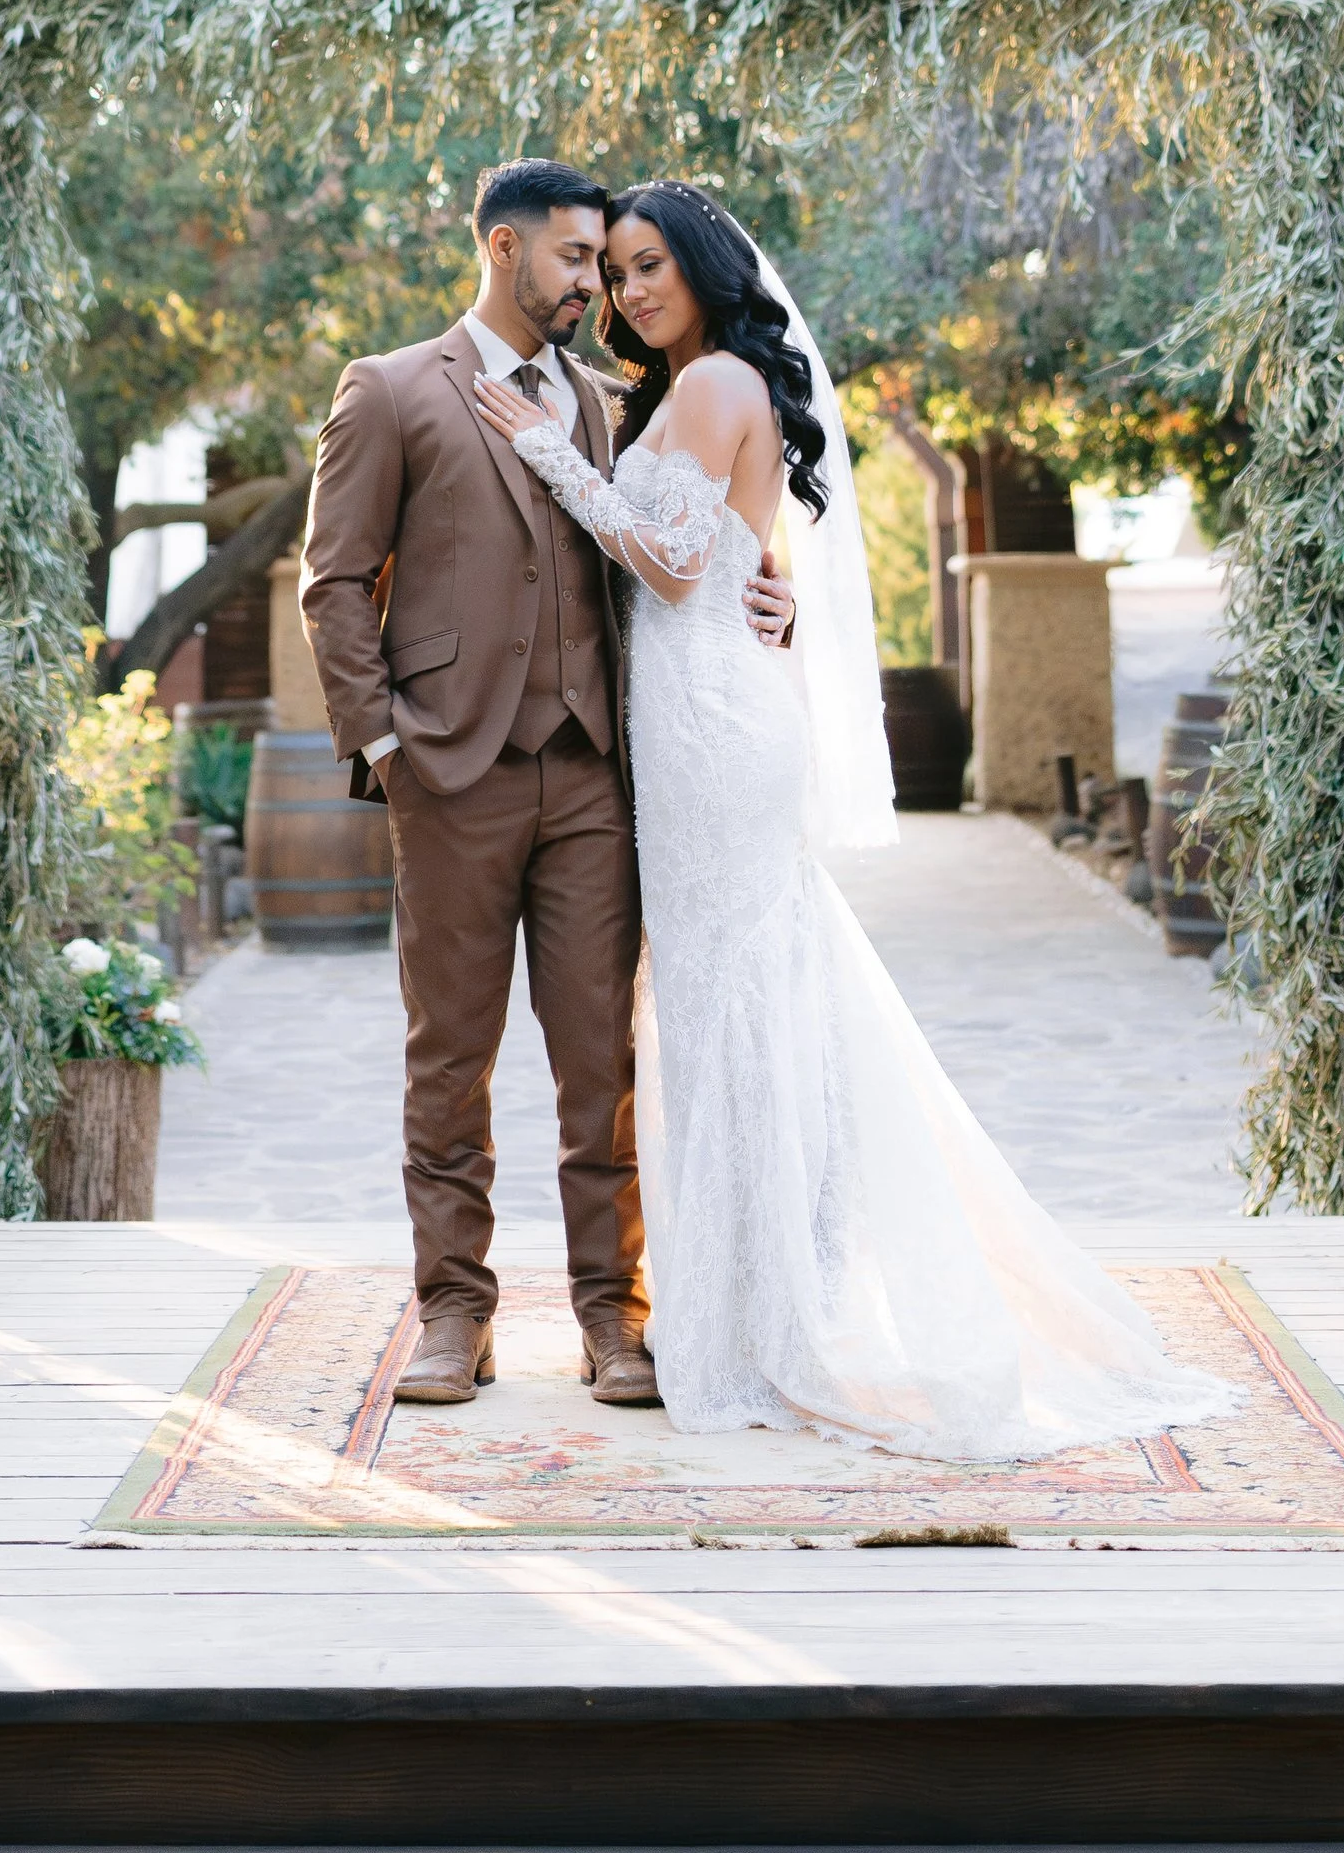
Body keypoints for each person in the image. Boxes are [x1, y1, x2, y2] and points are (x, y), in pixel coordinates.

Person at [472, 178, 1224, 1460]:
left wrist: (547, 453)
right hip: (700, 719)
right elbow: (725, 555)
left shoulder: (716, 384)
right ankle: (766, 1301)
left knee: (732, 1013)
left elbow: (672, 568)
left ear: (704, 268)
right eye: (619, 271)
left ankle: (772, 1318)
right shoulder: (688, 390)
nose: (630, 290)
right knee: (732, 1012)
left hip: (716, 734)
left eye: (652, 266)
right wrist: (746, 574)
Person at [298, 160, 798, 1408]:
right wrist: (383, 746)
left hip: (596, 778)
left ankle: (612, 1316)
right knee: (447, 1057)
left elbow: (703, 536)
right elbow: (334, 581)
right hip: (449, 773)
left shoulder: (615, 403)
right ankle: (452, 1315)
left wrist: (771, 595)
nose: (597, 288)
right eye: (579, 260)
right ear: (505, 248)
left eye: (609, 265)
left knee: (601, 1063)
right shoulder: (390, 389)